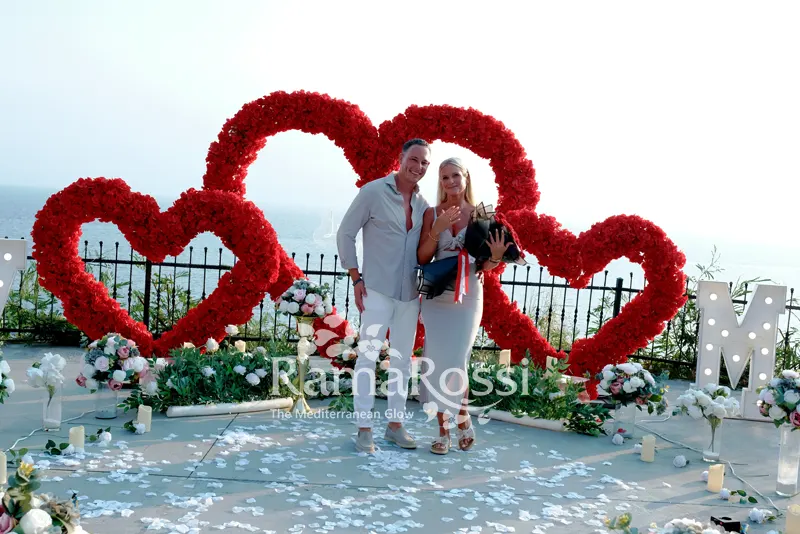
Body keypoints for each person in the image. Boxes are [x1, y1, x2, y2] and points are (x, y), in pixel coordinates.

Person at [336, 138, 432, 454]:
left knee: (402, 362)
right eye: (414, 159)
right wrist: (355, 276)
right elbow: (345, 233)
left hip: (410, 295)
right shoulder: (373, 192)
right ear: (401, 158)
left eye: (425, 162)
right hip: (376, 290)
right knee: (367, 358)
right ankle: (364, 428)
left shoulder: (423, 205)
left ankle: (395, 425)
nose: (418, 166)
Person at [416, 157, 509, 455]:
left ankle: (463, 415)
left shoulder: (481, 215)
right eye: (444, 177)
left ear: (466, 177)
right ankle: (443, 431)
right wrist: (438, 229)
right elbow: (422, 257)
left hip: (468, 296)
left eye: (455, 175)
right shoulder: (432, 213)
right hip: (437, 298)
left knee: (457, 361)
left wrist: (496, 256)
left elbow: (485, 265)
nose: (451, 182)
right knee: (437, 362)